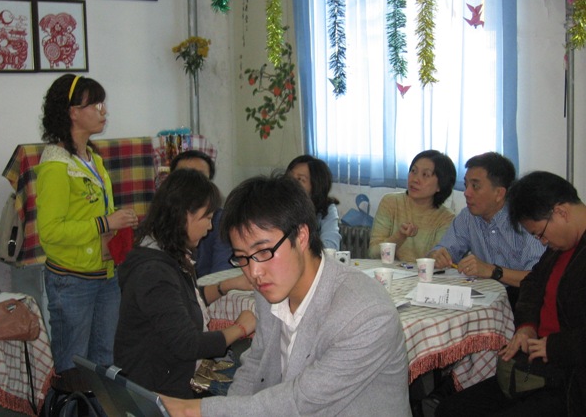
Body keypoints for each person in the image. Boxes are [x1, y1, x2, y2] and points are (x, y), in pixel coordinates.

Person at [160, 173, 411, 417]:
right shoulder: (271, 287)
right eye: (242, 257)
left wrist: (193, 411)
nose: (254, 272)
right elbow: (256, 364)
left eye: (264, 251)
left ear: (301, 236)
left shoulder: (366, 314)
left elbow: (300, 403)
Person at [436, 171, 586, 416]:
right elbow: (532, 284)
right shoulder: (560, 247)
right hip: (538, 365)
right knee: (450, 410)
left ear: (561, 212)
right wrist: (526, 326)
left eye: (540, 234)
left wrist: (555, 347)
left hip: (570, 376)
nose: (542, 242)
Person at [113, 168, 256, 399]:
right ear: (184, 216)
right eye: (207, 218)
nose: (210, 227)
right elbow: (188, 344)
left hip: (166, 375)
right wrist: (240, 328)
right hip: (157, 390)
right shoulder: (153, 272)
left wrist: (229, 284)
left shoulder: (162, 252)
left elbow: (183, 301)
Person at [35, 74, 138, 373]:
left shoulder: (92, 158)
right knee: (73, 367)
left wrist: (118, 220)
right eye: (96, 105)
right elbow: (50, 232)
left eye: (102, 104)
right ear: (73, 112)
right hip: (72, 281)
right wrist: (106, 222)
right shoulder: (56, 165)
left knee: (105, 362)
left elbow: (90, 211)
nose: (104, 111)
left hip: (105, 275)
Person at [428, 152, 545, 308]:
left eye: (475, 186)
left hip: (523, 302)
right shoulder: (468, 216)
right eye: (466, 185)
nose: (466, 193)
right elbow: (443, 250)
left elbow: (537, 278)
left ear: (499, 193)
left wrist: (492, 271)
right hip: (484, 299)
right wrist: (437, 256)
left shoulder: (525, 220)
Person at [368, 150, 456, 262]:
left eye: (425, 175)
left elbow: (436, 260)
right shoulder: (390, 202)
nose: (415, 179)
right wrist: (399, 236)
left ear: (440, 185)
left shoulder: (446, 218)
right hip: (388, 271)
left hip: (424, 273)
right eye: (413, 171)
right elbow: (373, 253)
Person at [170, 150, 232, 278]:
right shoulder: (158, 219)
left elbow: (222, 272)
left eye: (200, 178)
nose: (192, 186)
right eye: (184, 178)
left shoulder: (220, 220)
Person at [286, 155, 341, 250]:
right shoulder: (278, 205)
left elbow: (330, 247)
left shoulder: (326, 208)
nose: (291, 183)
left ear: (315, 185)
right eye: (289, 177)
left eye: (300, 179)